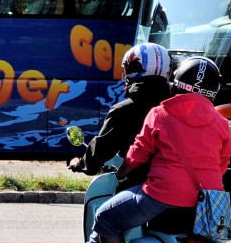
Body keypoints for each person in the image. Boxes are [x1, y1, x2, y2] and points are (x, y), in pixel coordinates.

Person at [49, 55, 231, 243]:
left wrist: (123, 172)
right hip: (205, 201)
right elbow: (223, 161)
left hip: (160, 195)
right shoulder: (220, 121)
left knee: (106, 217)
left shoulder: (161, 113)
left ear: (177, 82)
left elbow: (138, 152)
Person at [67, 41, 171, 191]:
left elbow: (102, 148)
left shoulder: (124, 110)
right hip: (179, 186)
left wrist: (82, 164)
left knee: (103, 215)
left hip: (141, 188)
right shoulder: (176, 106)